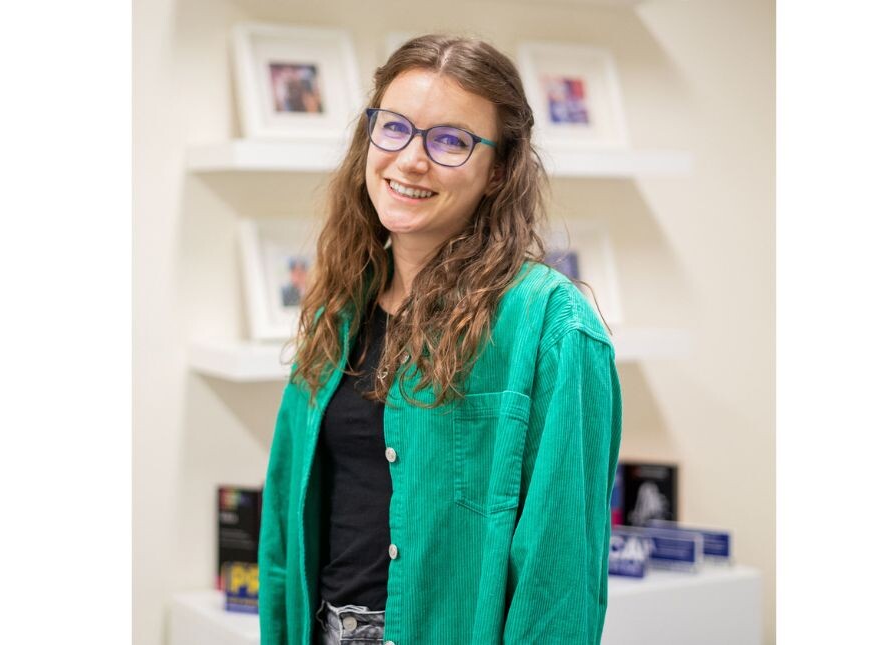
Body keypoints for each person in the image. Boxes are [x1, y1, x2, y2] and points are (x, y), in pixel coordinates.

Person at [258, 34, 623, 645]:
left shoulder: (553, 328)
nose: (410, 160)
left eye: (451, 140)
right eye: (394, 127)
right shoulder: (339, 308)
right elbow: (284, 534)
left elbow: (559, 580)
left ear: (498, 170)